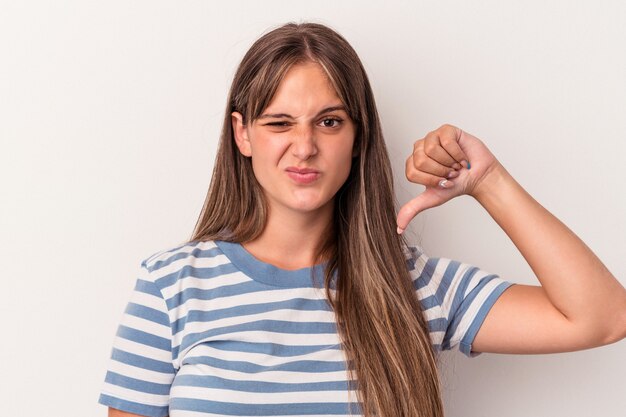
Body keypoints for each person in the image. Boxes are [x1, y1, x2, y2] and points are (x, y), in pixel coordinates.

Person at [99, 22, 626, 417]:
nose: (303, 147)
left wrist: (488, 182)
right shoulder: (170, 287)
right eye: (279, 122)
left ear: (357, 136)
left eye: (329, 122)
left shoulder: (413, 285)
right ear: (242, 135)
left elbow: (603, 317)